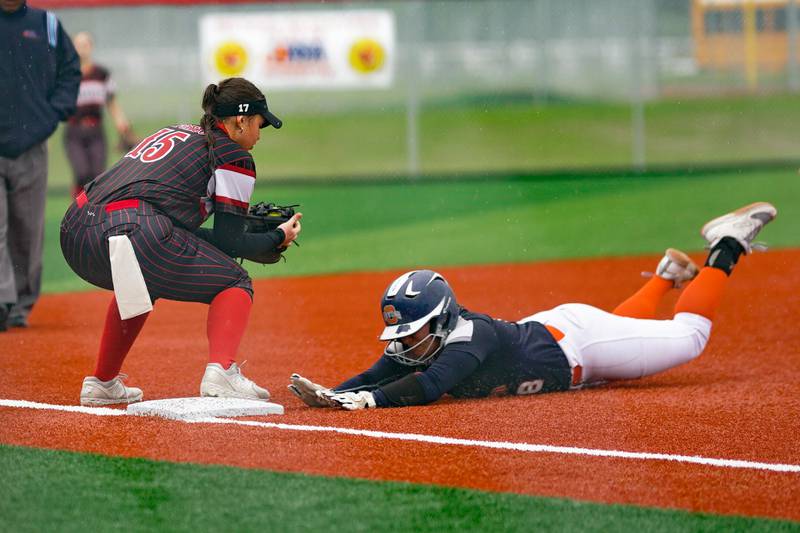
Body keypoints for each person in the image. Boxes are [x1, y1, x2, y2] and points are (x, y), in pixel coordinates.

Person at [289, 202, 777, 410]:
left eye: (412, 331)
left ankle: (726, 244)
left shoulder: (465, 338)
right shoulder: (433, 336)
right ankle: (667, 278)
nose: (405, 341)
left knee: (691, 338)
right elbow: (376, 373)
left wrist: (369, 402)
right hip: (559, 330)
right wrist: (334, 393)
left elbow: (429, 386)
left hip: (580, 346)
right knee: (623, 330)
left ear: (438, 319)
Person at [60, 77, 301, 406]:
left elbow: (183, 236)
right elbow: (230, 241)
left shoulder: (178, 131)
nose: (260, 134)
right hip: (133, 227)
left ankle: (102, 382)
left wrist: (260, 240)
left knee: (143, 279)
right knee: (235, 280)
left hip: (76, 226)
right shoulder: (233, 154)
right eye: (260, 124)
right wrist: (276, 237)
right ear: (241, 121)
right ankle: (222, 373)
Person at [0, 0, 80, 331]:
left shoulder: (46, 24)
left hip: (31, 142)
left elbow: (70, 70)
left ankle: (20, 303)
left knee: (27, 227)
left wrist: (53, 113)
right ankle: (2, 301)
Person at [65, 31, 134, 198]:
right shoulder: (66, 75)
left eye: (85, 45)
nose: (82, 49)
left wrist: (122, 126)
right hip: (74, 132)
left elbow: (112, 104)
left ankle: (94, 213)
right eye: (78, 45)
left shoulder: (102, 74)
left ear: (91, 47)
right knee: (82, 173)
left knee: (97, 175)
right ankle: (77, 209)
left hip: (96, 131)